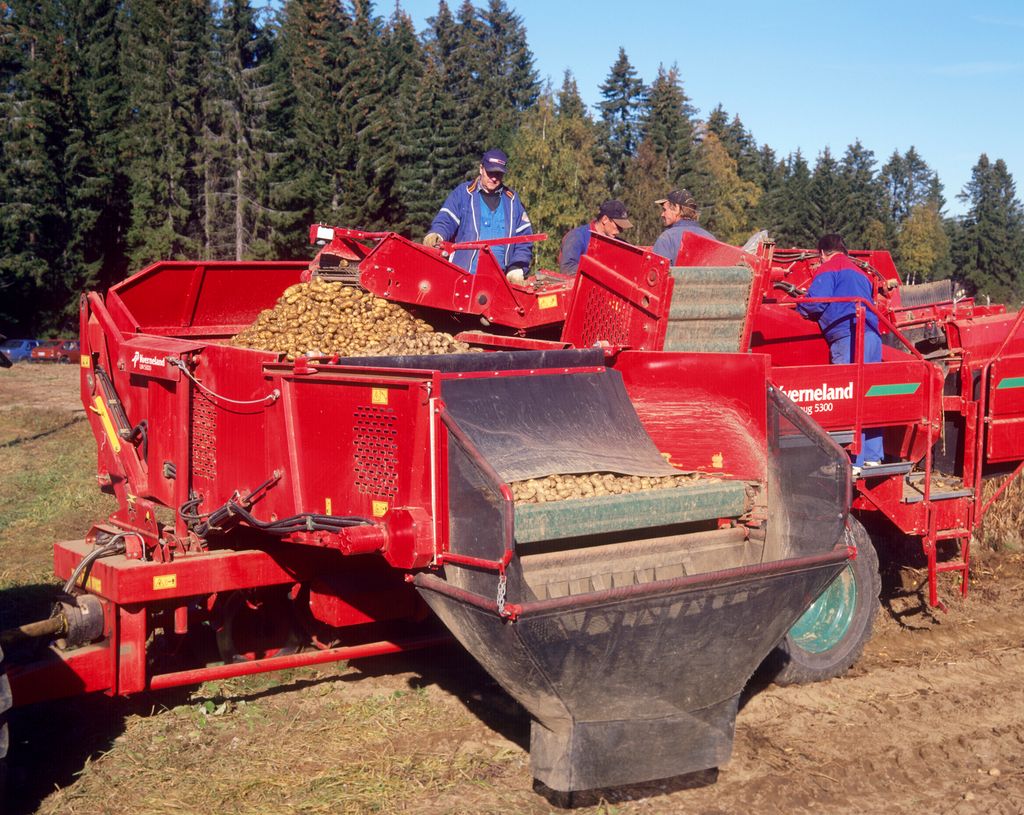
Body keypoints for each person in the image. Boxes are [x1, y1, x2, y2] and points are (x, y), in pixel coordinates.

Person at [797, 233, 884, 474]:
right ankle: (873, 456)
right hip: (872, 336)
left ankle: (850, 460)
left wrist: (798, 306)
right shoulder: (862, 273)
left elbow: (816, 302)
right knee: (869, 393)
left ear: (823, 253)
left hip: (848, 335)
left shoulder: (829, 267)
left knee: (846, 394)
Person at [424, 148, 533, 277]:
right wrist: (437, 233)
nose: (493, 178)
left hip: (500, 281)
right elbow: (447, 219)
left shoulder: (512, 201)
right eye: (490, 173)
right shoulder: (463, 194)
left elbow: (525, 239)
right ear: (481, 169)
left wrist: (516, 268)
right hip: (464, 276)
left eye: (498, 174)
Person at [558, 200, 634, 275]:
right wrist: (599, 271)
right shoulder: (577, 236)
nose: (620, 231)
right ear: (605, 219)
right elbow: (568, 268)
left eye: (622, 227)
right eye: (618, 226)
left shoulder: (620, 244)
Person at [651, 189, 716, 262]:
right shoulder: (711, 238)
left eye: (664, 210)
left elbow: (656, 271)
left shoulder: (667, 238)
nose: (662, 214)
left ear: (676, 208)